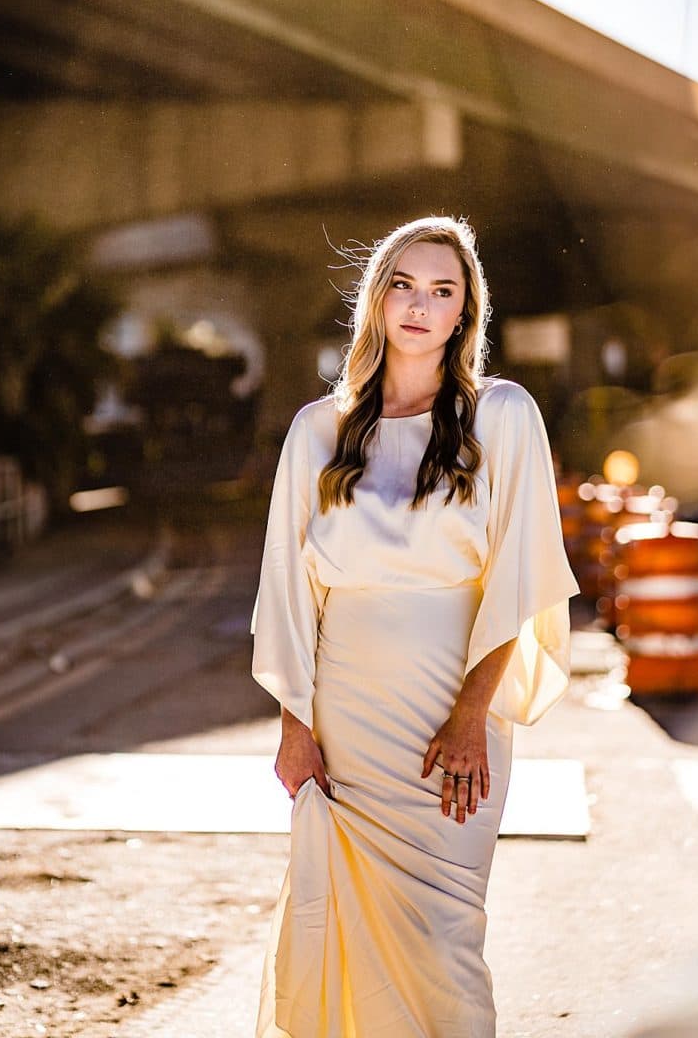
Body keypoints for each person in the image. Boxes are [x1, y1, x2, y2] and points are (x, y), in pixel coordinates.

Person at [250, 215, 579, 1038]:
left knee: (443, 941)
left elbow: (521, 577)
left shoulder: (500, 415)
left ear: (465, 311)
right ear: (375, 301)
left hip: (452, 716)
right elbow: (287, 594)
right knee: (341, 930)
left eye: (442, 290)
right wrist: (295, 725)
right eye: (402, 284)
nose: (420, 306)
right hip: (345, 717)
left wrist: (472, 715)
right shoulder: (315, 432)